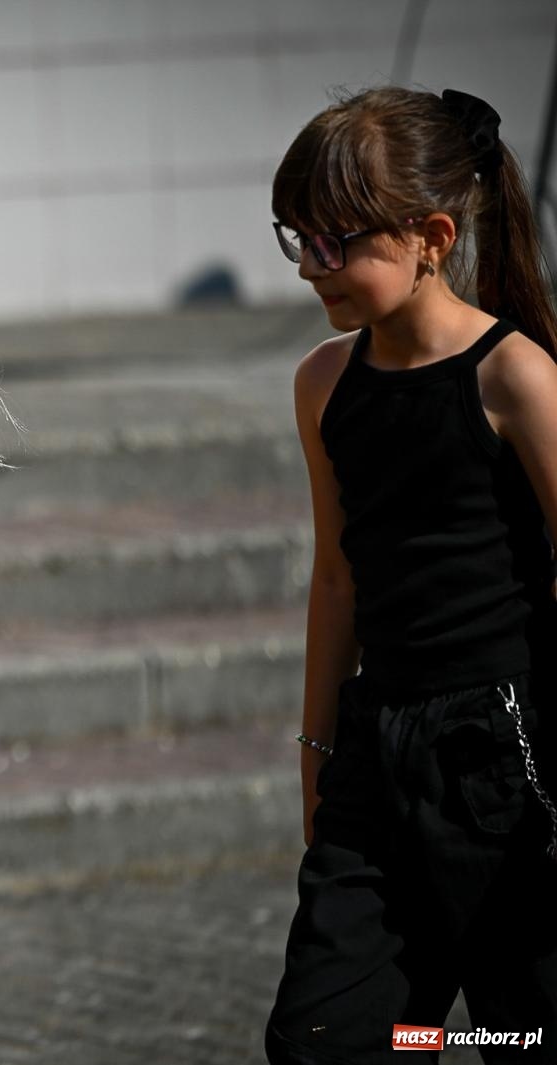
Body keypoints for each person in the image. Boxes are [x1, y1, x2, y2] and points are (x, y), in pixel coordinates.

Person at [264, 86, 557, 1063]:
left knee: (519, 1030)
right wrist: (315, 748)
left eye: (335, 242)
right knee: (333, 1038)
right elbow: (337, 578)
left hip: (505, 762)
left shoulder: (513, 378)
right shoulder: (322, 384)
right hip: (375, 761)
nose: (312, 267)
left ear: (430, 235)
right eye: (294, 238)